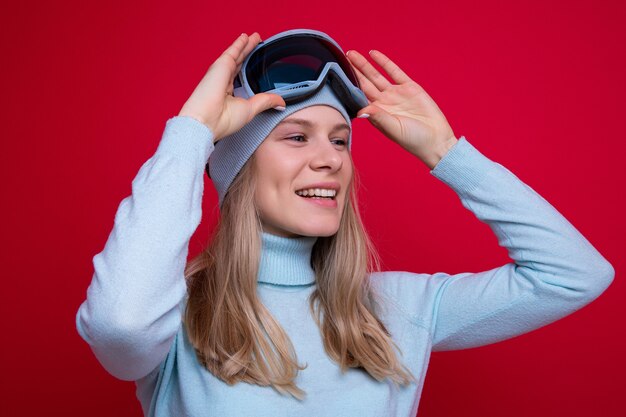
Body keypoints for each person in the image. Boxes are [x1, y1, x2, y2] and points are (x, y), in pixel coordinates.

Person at [75, 30, 615, 417]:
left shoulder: (397, 310)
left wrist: (448, 154)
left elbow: (575, 275)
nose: (330, 158)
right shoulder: (175, 313)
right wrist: (190, 136)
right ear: (238, 167)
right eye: (295, 136)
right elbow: (119, 324)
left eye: (339, 139)